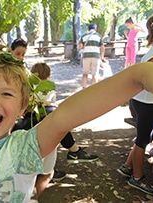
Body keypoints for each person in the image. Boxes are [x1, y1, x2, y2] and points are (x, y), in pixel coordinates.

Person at [0, 35, 153, 203]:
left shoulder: (23, 147)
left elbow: (65, 116)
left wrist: (137, 76)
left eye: (6, 94)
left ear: (23, 107)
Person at [12, 62, 98, 196]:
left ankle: (63, 158)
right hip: (29, 120)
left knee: (54, 120)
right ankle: (73, 150)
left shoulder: (41, 87)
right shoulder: (29, 87)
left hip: (35, 120)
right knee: (55, 117)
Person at [117, 15, 153, 196]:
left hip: (143, 101)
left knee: (144, 136)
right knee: (143, 140)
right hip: (146, 102)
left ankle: (127, 166)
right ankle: (137, 177)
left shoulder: (152, 49)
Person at [79, 23, 105, 89]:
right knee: (95, 74)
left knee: (85, 73)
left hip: (86, 56)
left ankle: (84, 88)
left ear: (88, 29)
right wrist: (102, 57)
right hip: (95, 56)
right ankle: (93, 89)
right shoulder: (98, 36)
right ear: (95, 29)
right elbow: (102, 47)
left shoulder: (84, 36)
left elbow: (80, 46)